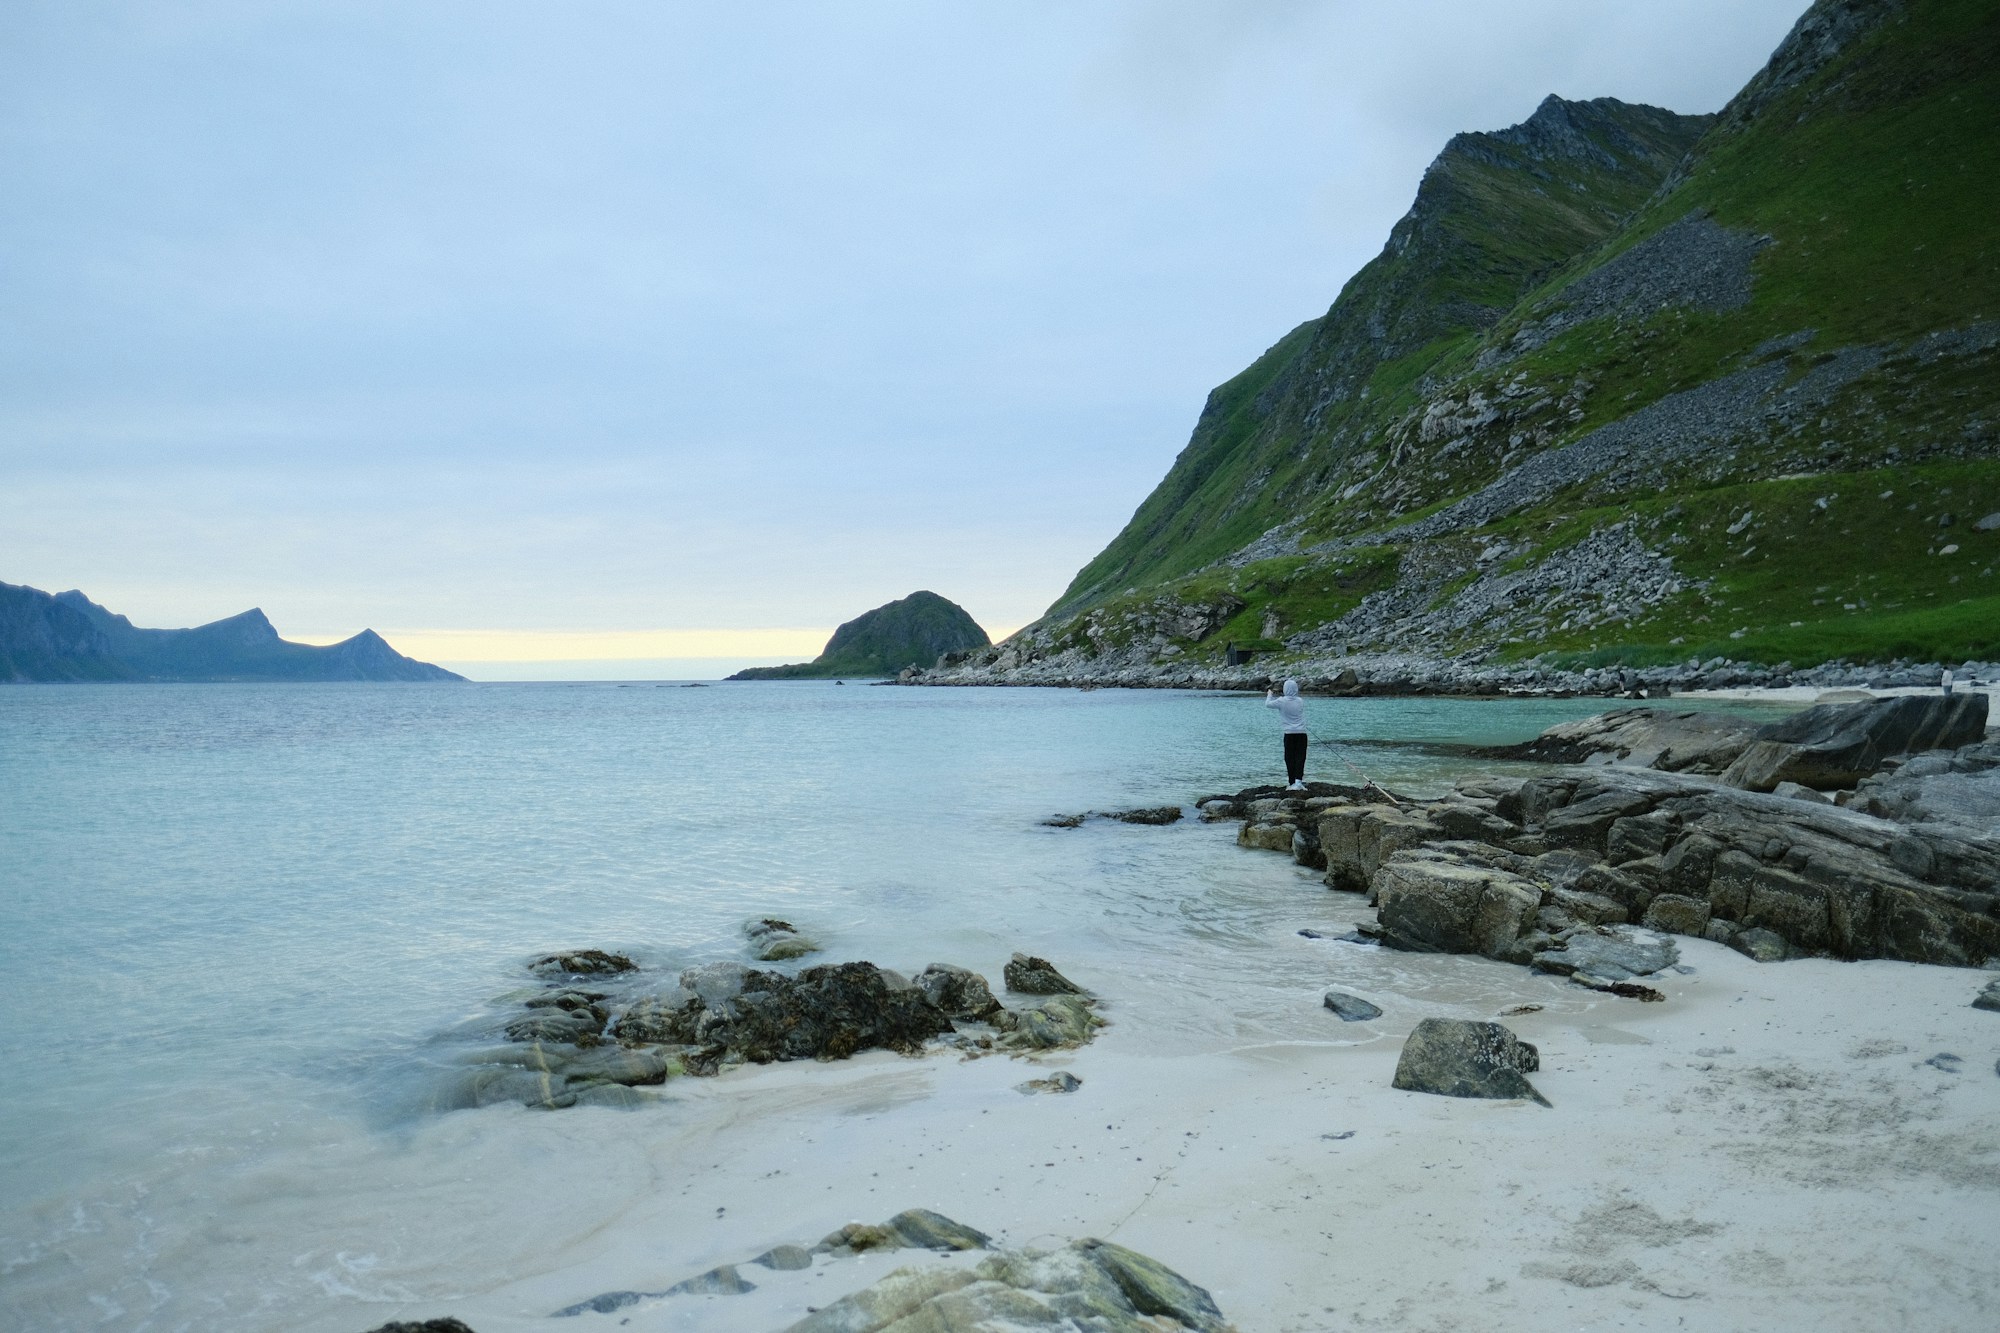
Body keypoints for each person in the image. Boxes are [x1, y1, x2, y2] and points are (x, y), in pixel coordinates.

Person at [1264, 678, 1308, 791]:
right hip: (1302, 733)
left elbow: (1267, 704)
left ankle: (1291, 782)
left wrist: (1269, 694)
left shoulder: (1281, 701)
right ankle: (1299, 782)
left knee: (1289, 758)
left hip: (1289, 734)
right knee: (1300, 757)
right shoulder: (1300, 701)